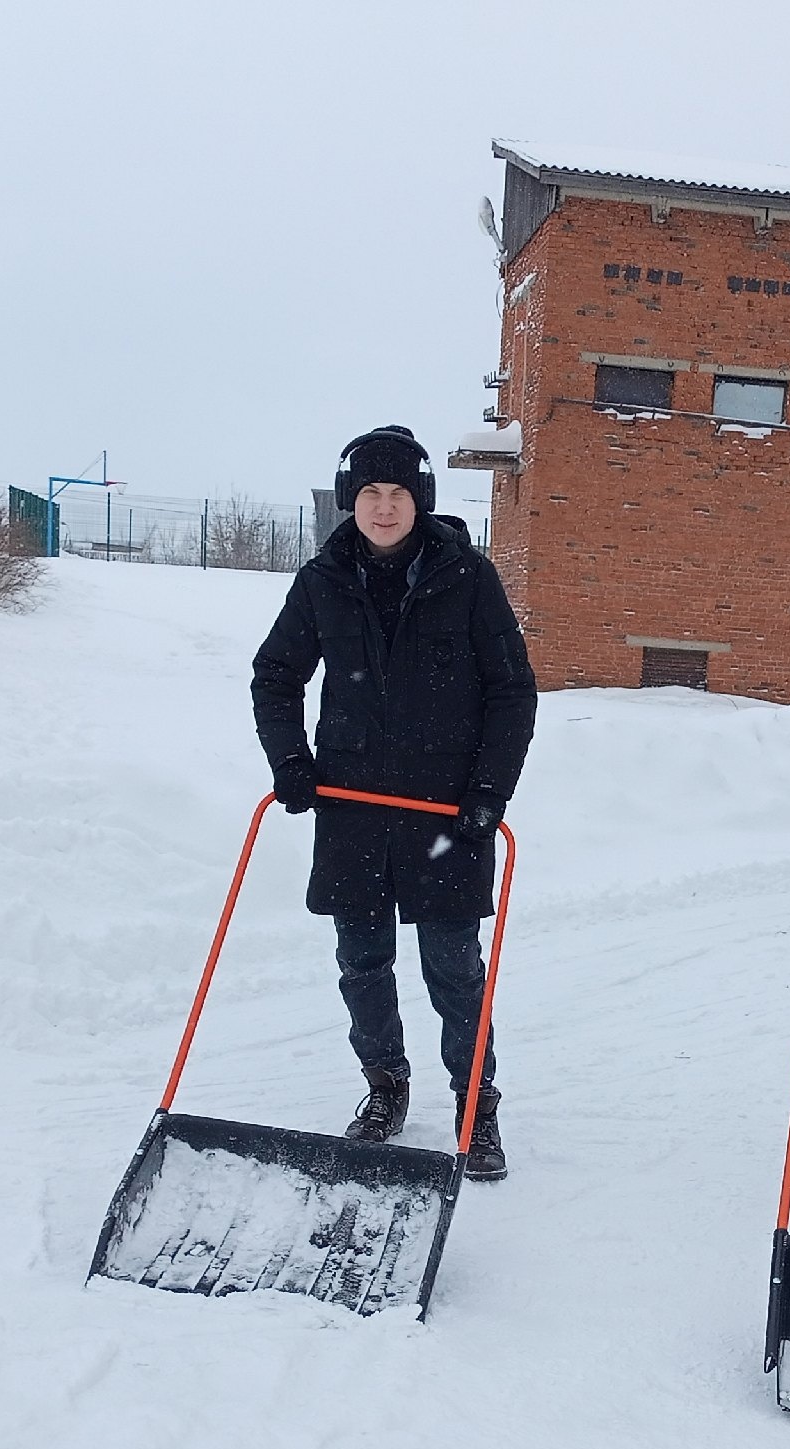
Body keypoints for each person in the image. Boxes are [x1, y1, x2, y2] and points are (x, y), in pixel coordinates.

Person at [250, 426, 537, 1179]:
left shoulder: (467, 578)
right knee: (363, 963)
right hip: (353, 809)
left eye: (398, 493)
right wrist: (290, 761)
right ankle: (385, 1087)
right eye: (370, 494)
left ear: (420, 501)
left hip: (446, 816)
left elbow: (512, 691)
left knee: (452, 967)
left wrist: (487, 791)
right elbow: (275, 676)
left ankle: (477, 1107)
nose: (384, 508)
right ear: (352, 502)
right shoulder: (322, 581)